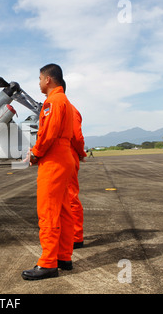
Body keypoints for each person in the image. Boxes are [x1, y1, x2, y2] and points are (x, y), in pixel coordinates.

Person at [22, 64, 75, 280]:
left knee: (48, 212)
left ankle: (48, 263)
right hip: (65, 156)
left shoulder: (52, 102)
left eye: (39, 79)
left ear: (47, 80)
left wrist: (35, 153)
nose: (39, 83)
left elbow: (48, 134)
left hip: (53, 159)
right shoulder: (67, 103)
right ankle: (64, 257)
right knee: (63, 210)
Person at [69, 102, 86, 249]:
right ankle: (70, 234)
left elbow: (77, 136)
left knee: (70, 197)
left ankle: (76, 237)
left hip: (67, 155)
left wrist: (81, 152)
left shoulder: (69, 109)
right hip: (62, 156)